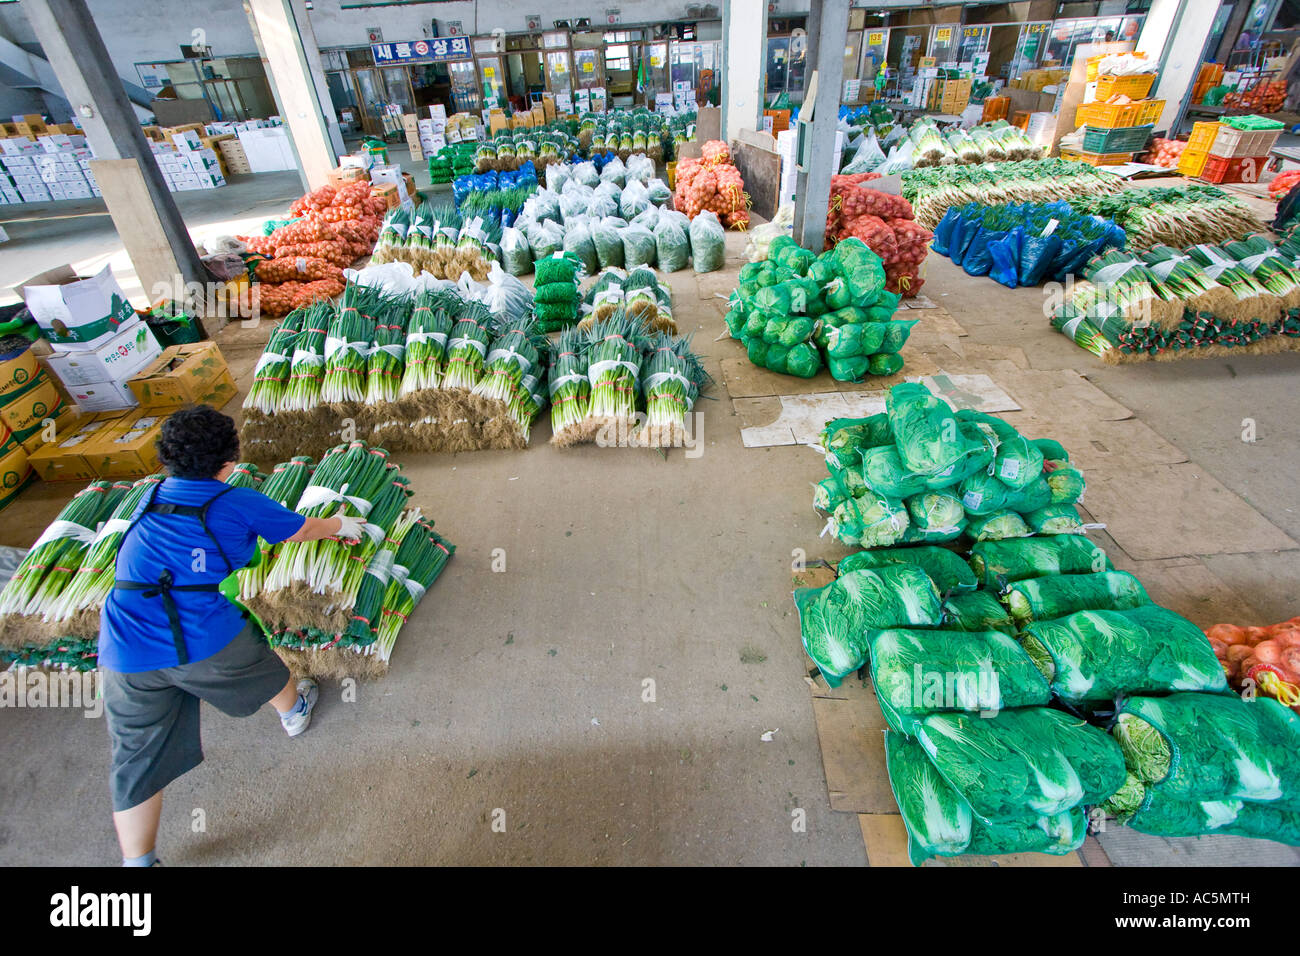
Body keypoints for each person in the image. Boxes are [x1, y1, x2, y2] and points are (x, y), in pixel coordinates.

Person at [99, 405, 367, 867]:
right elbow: (300, 529)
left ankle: (139, 863)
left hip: (124, 644)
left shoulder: (147, 496)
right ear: (229, 462)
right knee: (261, 668)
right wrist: (341, 525)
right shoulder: (236, 500)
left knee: (135, 759)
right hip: (200, 637)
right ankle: (294, 711)